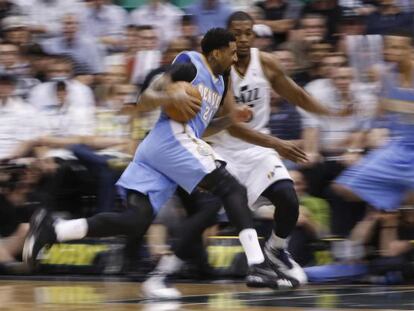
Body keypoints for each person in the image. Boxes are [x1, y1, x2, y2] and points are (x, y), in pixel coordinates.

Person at [23, 28, 299, 290]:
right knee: (232, 188)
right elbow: (145, 98)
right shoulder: (190, 63)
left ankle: (54, 230)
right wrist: (169, 93)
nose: (235, 57)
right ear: (215, 53)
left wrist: (231, 118)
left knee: (135, 220)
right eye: (231, 51)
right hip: (170, 138)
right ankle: (258, 265)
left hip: (160, 148)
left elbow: (204, 127)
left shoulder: (221, 81)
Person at [142, 11, 353, 298]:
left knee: (289, 200)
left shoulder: (265, 63)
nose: (242, 39)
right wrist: (278, 143)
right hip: (217, 149)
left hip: (257, 150)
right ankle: (161, 274)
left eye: (247, 33)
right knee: (207, 216)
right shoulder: (214, 72)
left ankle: (276, 251)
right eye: (236, 33)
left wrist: (331, 112)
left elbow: (298, 95)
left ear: (254, 36)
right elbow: (234, 128)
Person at [333, 30, 414, 215]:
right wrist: (354, 149)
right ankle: (396, 198)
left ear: (411, 50)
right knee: (344, 188)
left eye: (399, 47)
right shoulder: (385, 76)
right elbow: (374, 118)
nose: (392, 51)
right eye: (390, 47)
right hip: (397, 148)